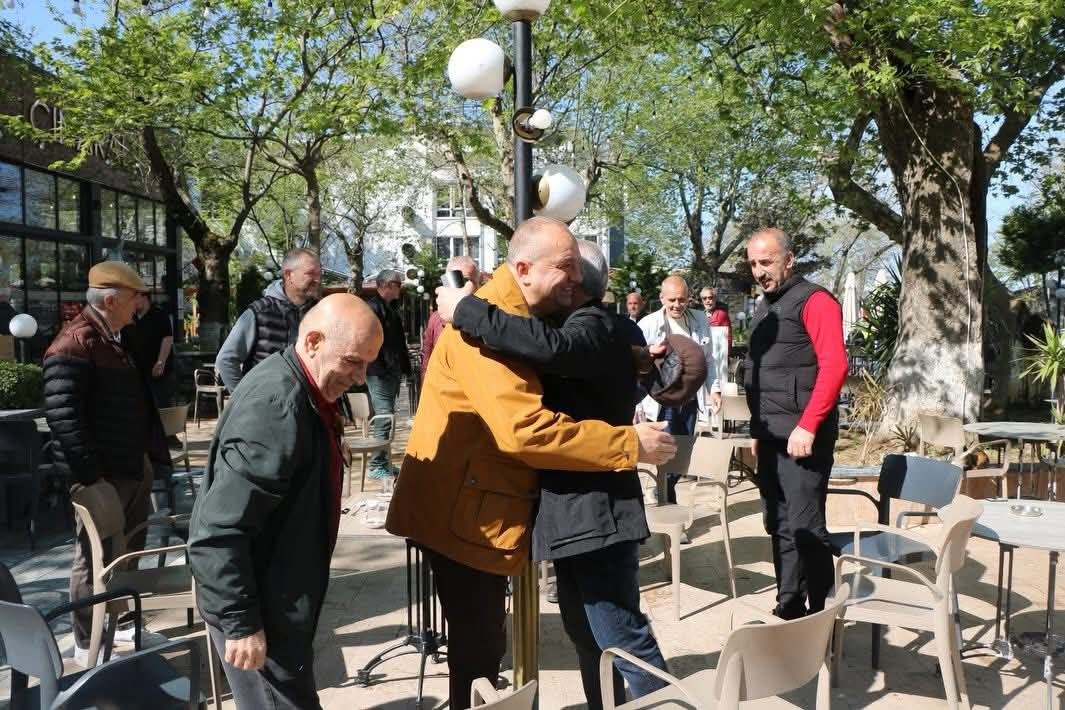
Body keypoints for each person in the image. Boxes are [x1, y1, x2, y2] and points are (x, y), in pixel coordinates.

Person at [385, 216, 676, 710]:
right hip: (471, 517)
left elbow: (553, 353)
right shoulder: (496, 325)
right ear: (522, 268)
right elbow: (525, 430)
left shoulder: (570, 325)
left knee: (611, 637)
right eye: (564, 268)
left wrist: (467, 308)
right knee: (488, 656)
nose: (574, 281)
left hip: (580, 513)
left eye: (577, 272)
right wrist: (628, 443)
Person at [189, 294, 384, 710]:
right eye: (353, 361)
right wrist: (242, 623)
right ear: (313, 341)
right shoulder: (277, 406)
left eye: (368, 363)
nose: (361, 376)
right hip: (259, 606)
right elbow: (219, 531)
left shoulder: (300, 388)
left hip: (277, 598)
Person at [42, 262, 171, 667]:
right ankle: (89, 641)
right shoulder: (73, 344)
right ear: (111, 299)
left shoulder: (117, 338)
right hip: (100, 476)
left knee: (129, 550)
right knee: (95, 558)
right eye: (135, 298)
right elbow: (64, 417)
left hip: (131, 466)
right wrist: (90, 477)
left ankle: (126, 626)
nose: (140, 306)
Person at [744, 228, 847, 619]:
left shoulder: (815, 300)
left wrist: (809, 424)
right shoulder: (765, 305)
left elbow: (835, 366)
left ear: (789, 259)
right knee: (779, 525)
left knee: (806, 529)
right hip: (771, 438)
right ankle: (789, 605)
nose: (758, 271)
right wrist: (758, 431)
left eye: (766, 262)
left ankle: (822, 614)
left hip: (804, 439)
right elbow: (761, 372)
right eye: (753, 263)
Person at [637, 275, 719, 504]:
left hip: (691, 398)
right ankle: (667, 500)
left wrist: (714, 389)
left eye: (682, 300)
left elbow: (708, 359)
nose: (677, 305)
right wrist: (638, 404)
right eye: (672, 300)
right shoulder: (648, 324)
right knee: (667, 452)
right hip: (663, 399)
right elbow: (638, 367)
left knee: (683, 453)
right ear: (662, 298)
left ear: (689, 299)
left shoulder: (700, 320)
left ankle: (663, 491)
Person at [215, 248, 321, 393]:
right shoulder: (259, 313)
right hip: (266, 407)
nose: (317, 280)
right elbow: (226, 360)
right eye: (310, 273)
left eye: (319, 274)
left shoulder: (320, 312)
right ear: (289, 275)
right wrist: (245, 401)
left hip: (306, 407)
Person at [365, 268, 412, 478]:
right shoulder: (372, 308)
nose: (400, 288)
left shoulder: (390, 308)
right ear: (388, 285)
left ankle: (384, 461)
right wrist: (384, 366)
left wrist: (405, 368)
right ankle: (376, 465)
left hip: (390, 371)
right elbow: (370, 340)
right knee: (384, 416)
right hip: (379, 372)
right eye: (398, 284)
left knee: (389, 417)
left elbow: (398, 342)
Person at [421, 256, 481, 382]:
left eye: (466, 280)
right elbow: (427, 357)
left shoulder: (490, 317)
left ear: (478, 283)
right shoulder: (436, 318)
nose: (459, 287)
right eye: (453, 279)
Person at [122, 295, 176, 407]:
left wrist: (161, 361)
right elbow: (124, 345)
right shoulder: (129, 317)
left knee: (161, 407)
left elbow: (167, 338)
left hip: (158, 372)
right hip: (137, 372)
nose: (131, 302)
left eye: (133, 298)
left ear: (144, 297)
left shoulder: (159, 314)